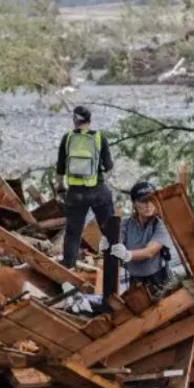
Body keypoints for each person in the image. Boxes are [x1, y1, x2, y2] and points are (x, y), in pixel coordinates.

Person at [56, 105, 115, 268]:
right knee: (110, 230)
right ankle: (117, 262)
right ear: (89, 120)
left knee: (73, 233)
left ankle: (68, 266)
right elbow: (109, 165)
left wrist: (60, 186)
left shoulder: (67, 138)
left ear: (75, 120)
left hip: (75, 193)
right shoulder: (99, 138)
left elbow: (60, 167)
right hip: (97, 190)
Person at [111, 181, 181, 292]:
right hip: (135, 280)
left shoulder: (161, 224)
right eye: (143, 201)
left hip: (159, 279)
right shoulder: (126, 224)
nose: (148, 205)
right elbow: (117, 240)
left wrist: (127, 254)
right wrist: (110, 243)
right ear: (134, 203)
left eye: (151, 200)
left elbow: (150, 252)